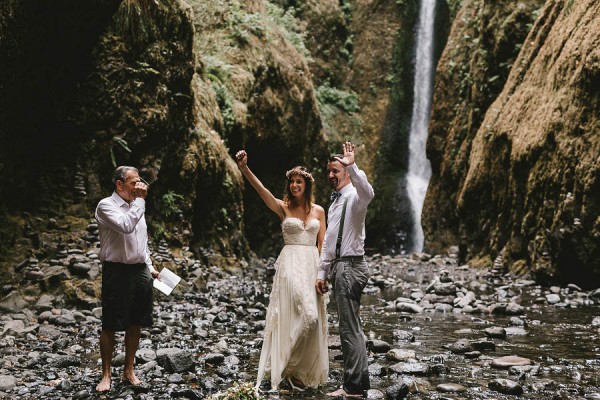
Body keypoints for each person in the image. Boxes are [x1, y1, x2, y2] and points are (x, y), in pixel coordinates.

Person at [235, 150, 329, 392]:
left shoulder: (319, 210)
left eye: (299, 181)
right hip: (289, 263)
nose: (294, 184)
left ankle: (295, 370)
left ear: (307, 185)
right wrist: (245, 168)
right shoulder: (283, 207)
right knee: (305, 315)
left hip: (312, 264)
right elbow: (262, 191)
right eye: (292, 181)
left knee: (313, 318)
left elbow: (324, 244)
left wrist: (323, 274)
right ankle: (283, 364)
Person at [315, 141, 374, 398]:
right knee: (349, 326)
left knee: (349, 328)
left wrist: (354, 165)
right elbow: (329, 242)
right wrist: (321, 273)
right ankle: (354, 383)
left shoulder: (354, 198)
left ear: (346, 173)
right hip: (341, 267)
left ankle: (354, 387)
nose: (330, 175)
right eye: (329, 171)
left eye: (335, 171)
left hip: (350, 267)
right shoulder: (336, 202)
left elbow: (369, 193)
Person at [94, 166, 159, 392]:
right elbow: (125, 225)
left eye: (140, 182)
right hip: (117, 269)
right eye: (133, 183)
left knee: (136, 321)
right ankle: (106, 374)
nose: (138, 187)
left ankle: (129, 370)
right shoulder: (106, 206)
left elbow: (142, 240)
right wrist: (141, 201)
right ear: (119, 185)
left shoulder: (136, 206)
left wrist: (150, 267)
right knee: (110, 323)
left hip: (140, 269)